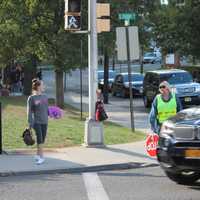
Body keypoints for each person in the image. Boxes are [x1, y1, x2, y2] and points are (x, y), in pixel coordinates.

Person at [27, 79, 48, 165]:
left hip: (45, 121)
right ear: (38, 87)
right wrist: (30, 123)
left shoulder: (45, 96)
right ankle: (42, 157)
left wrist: (53, 114)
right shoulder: (31, 98)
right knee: (39, 139)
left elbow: (46, 109)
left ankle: (37, 155)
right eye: (42, 85)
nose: (44, 86)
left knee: (42, 140)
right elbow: (29, 112)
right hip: (37, 122)